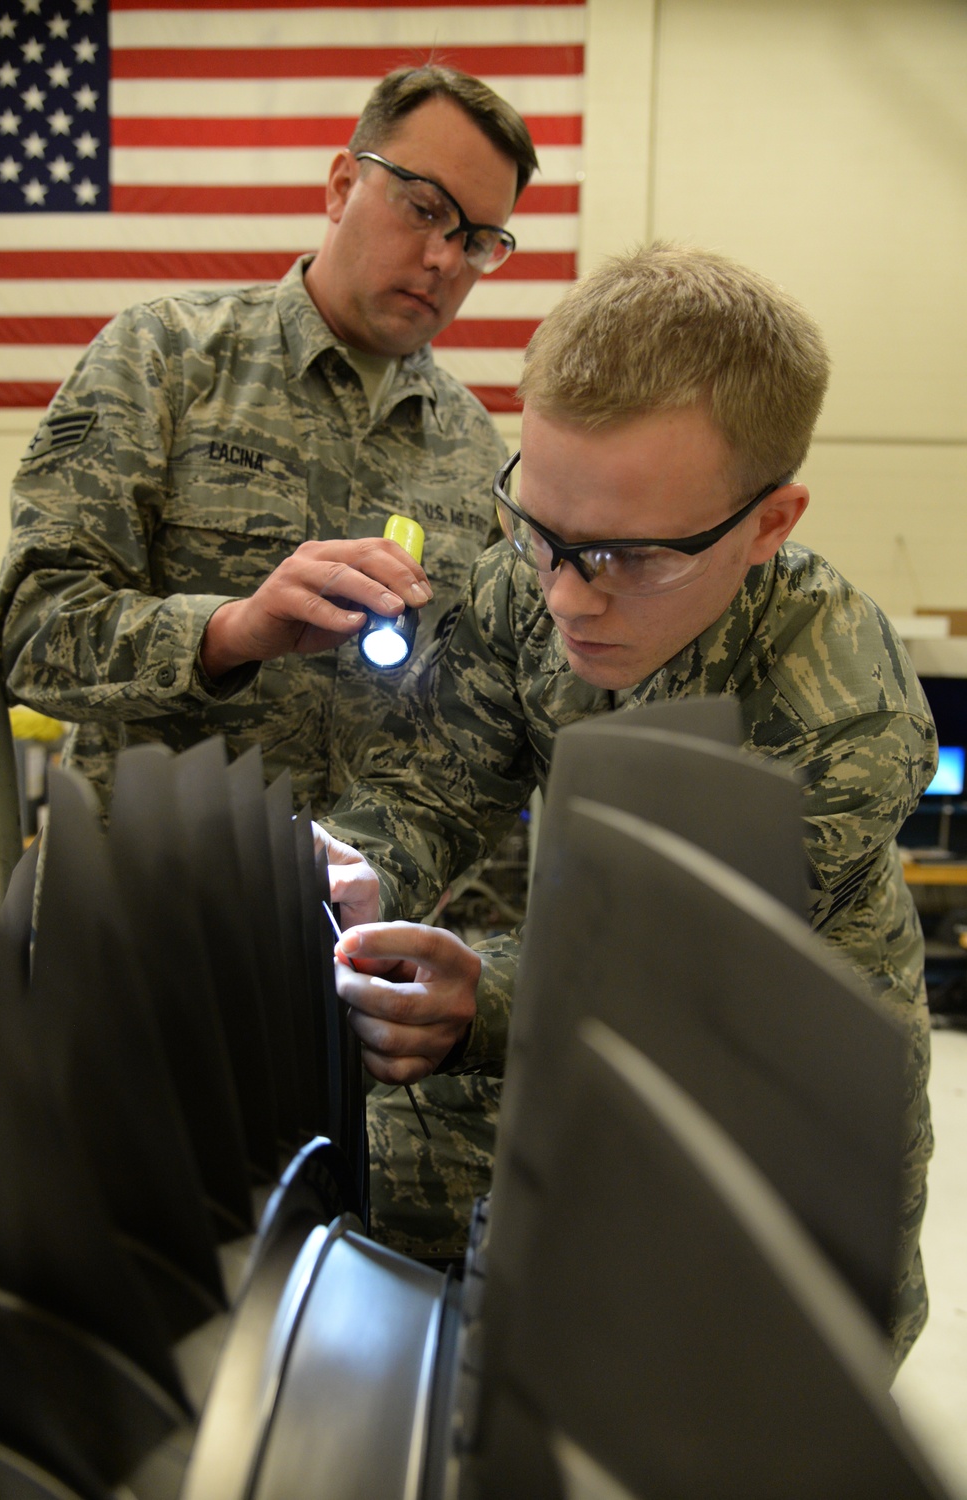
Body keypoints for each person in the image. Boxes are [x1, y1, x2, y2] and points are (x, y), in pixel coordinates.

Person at [320, 243, 937, 1367]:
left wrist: (481, 999)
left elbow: (695, 963)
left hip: (788, 1106)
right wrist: (359, 866)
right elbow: (435, 781)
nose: (565, 593)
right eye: (542, 531)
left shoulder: (841, 705)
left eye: (624, 555)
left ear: (768, 522)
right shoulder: (540, 577)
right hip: (588, 1024)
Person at [0, 65, 538, 816]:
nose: (444, 259)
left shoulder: (476, 447)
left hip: (359, 911)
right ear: (343, 185)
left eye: (477, 240)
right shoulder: (164, 357)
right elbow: (33, 633)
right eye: (423, 208)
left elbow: (472, 721)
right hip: (148, 901)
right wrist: (229, 632)